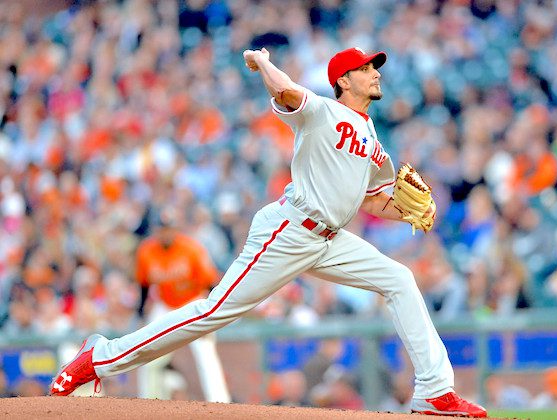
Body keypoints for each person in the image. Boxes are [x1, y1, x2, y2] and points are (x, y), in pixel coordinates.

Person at [49, 46, 486, 417]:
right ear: (344, 80)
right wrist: (263, 62)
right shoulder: (324, 111)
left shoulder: (372, 137)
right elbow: (287, 92)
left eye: (375, 67)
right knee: (213, 312)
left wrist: (408, 213)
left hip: (330, 239)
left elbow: (371, 200)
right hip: (290, 229)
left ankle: (433, 389)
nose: (376, 72)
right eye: (367, 68)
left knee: (399, 279)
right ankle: (99, 358)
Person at [133, 210, 230, 402]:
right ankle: (146, 401)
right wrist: (141, 312)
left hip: (193, 303)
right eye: (161, 229)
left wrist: (211, 313)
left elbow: (211, 283)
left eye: (168, 229)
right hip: (165, 305)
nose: (165, 233)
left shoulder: (191, 249)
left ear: (175, 229)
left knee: (205, 353)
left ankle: (220, 401)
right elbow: (144, 284)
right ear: (155, 230)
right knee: (148, 351)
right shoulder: (146, 251)